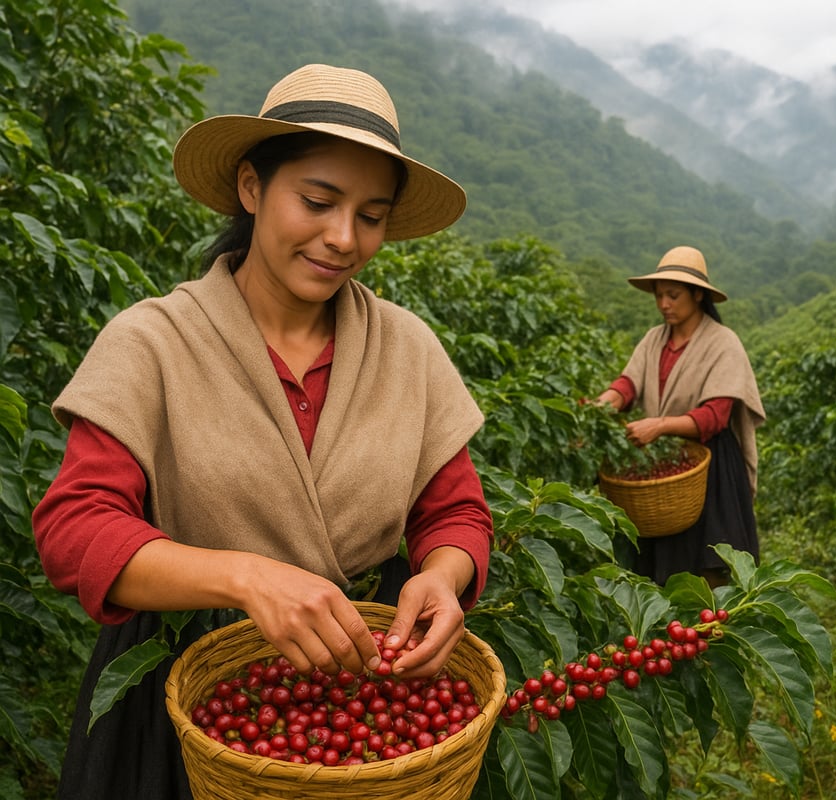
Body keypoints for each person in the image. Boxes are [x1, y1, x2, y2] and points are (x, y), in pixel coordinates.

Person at [32, 64, 493, 798]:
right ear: (251, 188)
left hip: (361, 679)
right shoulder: (153, 342)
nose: (342, 238)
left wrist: (443, 575)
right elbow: (74, 528)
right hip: (187, 691)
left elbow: (454, 510)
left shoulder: (409, 350)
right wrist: (243, 578)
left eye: (371, 216)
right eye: (317, 201)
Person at [596, 246, 765, 586]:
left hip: (712, 469)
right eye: (659, 296)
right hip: (664, 467)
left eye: (673, 296)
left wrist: (659, 426)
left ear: (698, 294)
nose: (664, 305)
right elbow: (628, 383)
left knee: (709, 573)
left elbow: (714, 416)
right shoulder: (653, 339)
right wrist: (604, 404)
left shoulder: (723, 343)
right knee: (658, 568)